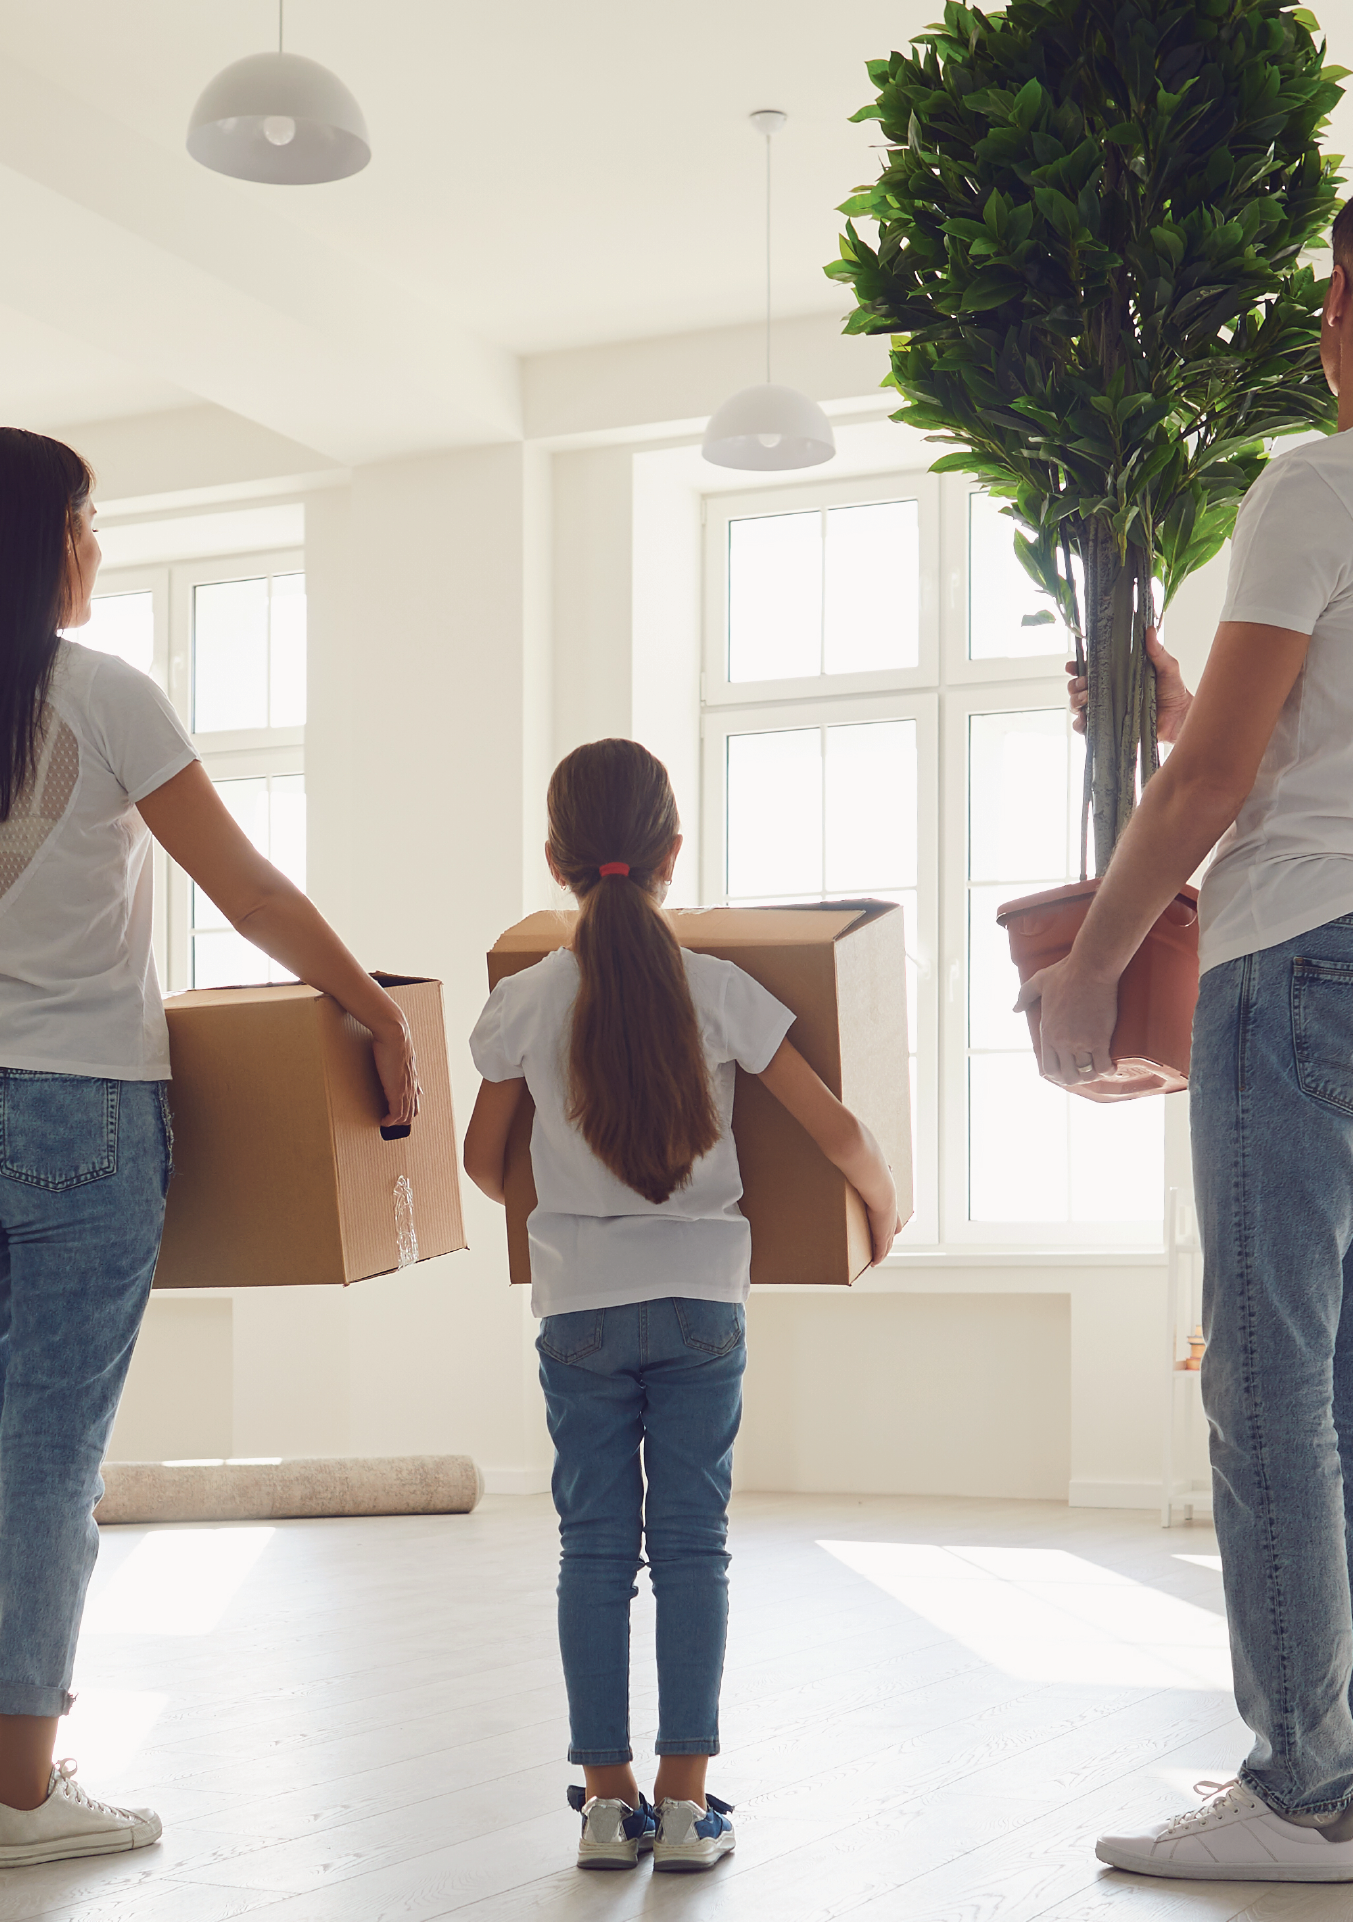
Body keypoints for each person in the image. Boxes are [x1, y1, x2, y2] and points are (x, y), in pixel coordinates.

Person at [1039, 166, 1353, 1884]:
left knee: (1262, 1378)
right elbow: (1295, 737)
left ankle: (1294, 1787)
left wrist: (1092, 957)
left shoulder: (1312, 484)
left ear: (1335, 299)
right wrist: (1184, 711)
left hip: (1301, 960)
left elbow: (1228, 782)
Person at [0, 425, 420, 1869]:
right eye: (89, 519)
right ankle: (25, 1796)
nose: (96, 544)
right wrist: (371, 1009)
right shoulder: (103, 697)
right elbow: (239, 891)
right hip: (75, 1113)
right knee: (50, 1456)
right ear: (42, 537)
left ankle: (9, 1787)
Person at [461, 738, 901, 1876]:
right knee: (694, 1548)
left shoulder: (525, 1000)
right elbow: (838, 1129)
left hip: (580, 1310)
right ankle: (688, 1801)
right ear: (671, 854)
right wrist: (880, 1203)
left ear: (556, 858)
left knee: (594, 1547)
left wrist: (561, 1185)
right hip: (704, 1299)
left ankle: (608, 1805)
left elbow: (479, 1159)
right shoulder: (720, 990)